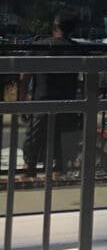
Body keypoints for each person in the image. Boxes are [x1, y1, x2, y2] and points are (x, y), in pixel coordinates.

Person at [21, 10, 80, 178]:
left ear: (55, 26)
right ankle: (57, 176)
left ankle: (28, 174)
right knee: (61, 148)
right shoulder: (77, 50)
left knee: (32, 144)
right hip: (67, 107)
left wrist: (23, 101)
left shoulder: (40, 46)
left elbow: (24, 77)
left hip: (41, 105)